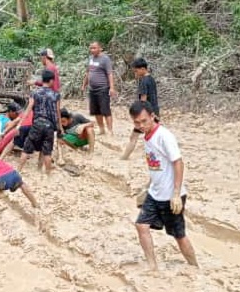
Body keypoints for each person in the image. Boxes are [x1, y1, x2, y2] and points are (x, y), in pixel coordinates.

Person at [129, 101, 198, 271]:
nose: (141, 125)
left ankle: (195, 267)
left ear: (153, 116)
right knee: (141, 225)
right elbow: (157, 165)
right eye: (137, 122)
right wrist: (148, 186)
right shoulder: (146, 136)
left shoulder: (164, 136)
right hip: (155, 192)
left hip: (170, 196)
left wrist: (176, 194)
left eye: (144, 121)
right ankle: (152, 266)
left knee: (179, 236)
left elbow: (178, 162)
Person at [18, 70, 62, 174]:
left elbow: (29, 108)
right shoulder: (56, 95)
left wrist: (20, 123)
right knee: (47, 151)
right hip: (49, 125)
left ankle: (18, 170)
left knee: (27, 148)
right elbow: (58, 112)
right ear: (51, 81)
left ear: (42, 80)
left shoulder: (35, 93)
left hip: (37, 123)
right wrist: (60, 127)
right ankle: (48, 175)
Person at [121, 58, 160, 160]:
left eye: (136, 71)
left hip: (146, 114)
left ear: (143, 69)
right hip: (154, 112)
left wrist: (138, 115)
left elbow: (143, 100)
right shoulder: (151, 79)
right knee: (153, 136)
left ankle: (124, 158)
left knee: (134, 137)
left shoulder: (143, 81)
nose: (135, 73)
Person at [81, 41, 117, 135]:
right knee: (96, 110)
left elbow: (110, 73)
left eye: (94, 48)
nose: (92, 50)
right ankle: (102, 129)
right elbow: (88, 72)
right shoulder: (90, 58)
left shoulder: (105, 59)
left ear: (100, 48)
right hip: (92, 89)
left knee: (105, 110)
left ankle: (110, 130)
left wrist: (112, 88)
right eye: (91, 48)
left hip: (103, 88)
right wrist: (84, 84)